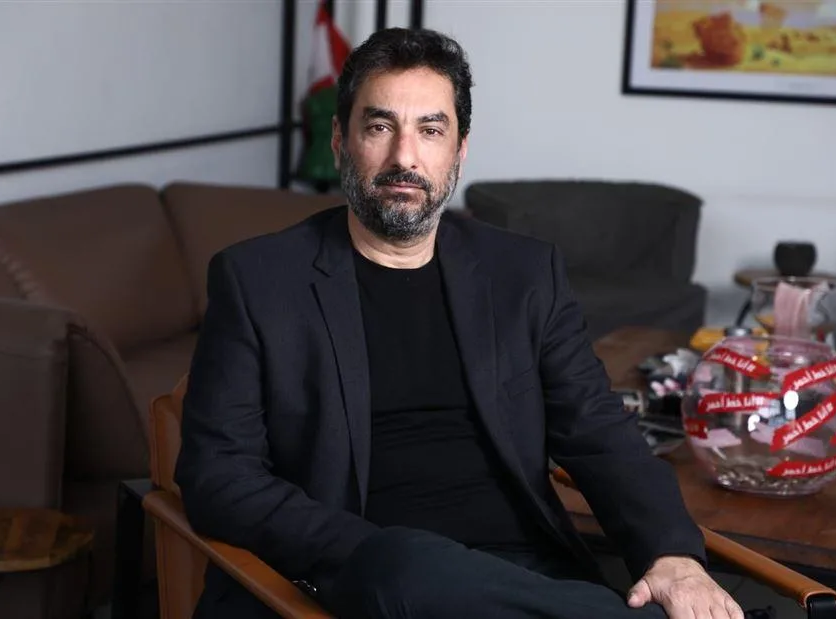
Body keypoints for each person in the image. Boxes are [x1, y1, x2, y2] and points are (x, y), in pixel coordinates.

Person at [175, 27, 743, 619]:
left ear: (459, 150)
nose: (404, 158)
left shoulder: (522, 273)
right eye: (379, 127)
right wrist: (361, 552)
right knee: (409, 566)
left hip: (521, 571)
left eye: (430, 130)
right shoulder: (259, 280)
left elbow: (598, 430)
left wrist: (674, 555)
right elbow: (218, 475)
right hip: (366, 571)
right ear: (341, 142)